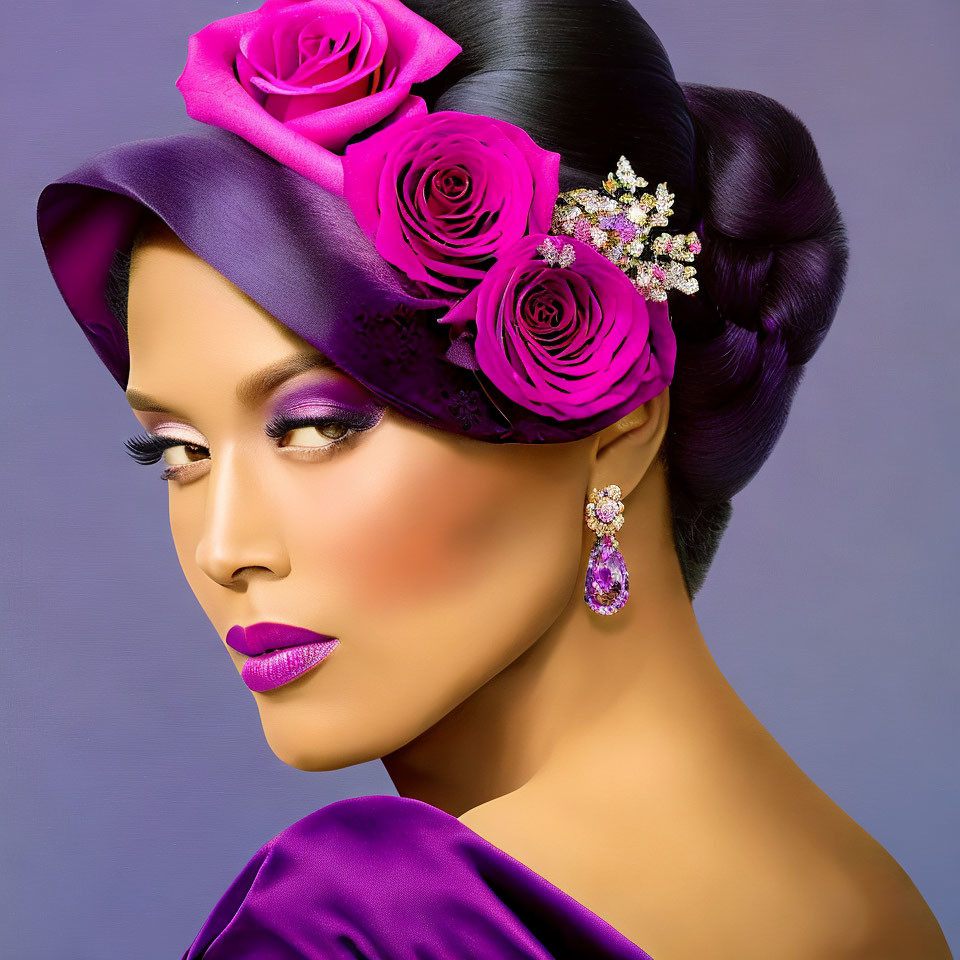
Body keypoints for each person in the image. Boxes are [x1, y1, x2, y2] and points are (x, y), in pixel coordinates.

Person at [35, 0, 952, 957]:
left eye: (315, 427)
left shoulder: (368, 916)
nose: (225, 550)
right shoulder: (868, 900)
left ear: (615, 426)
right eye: (178, 451)